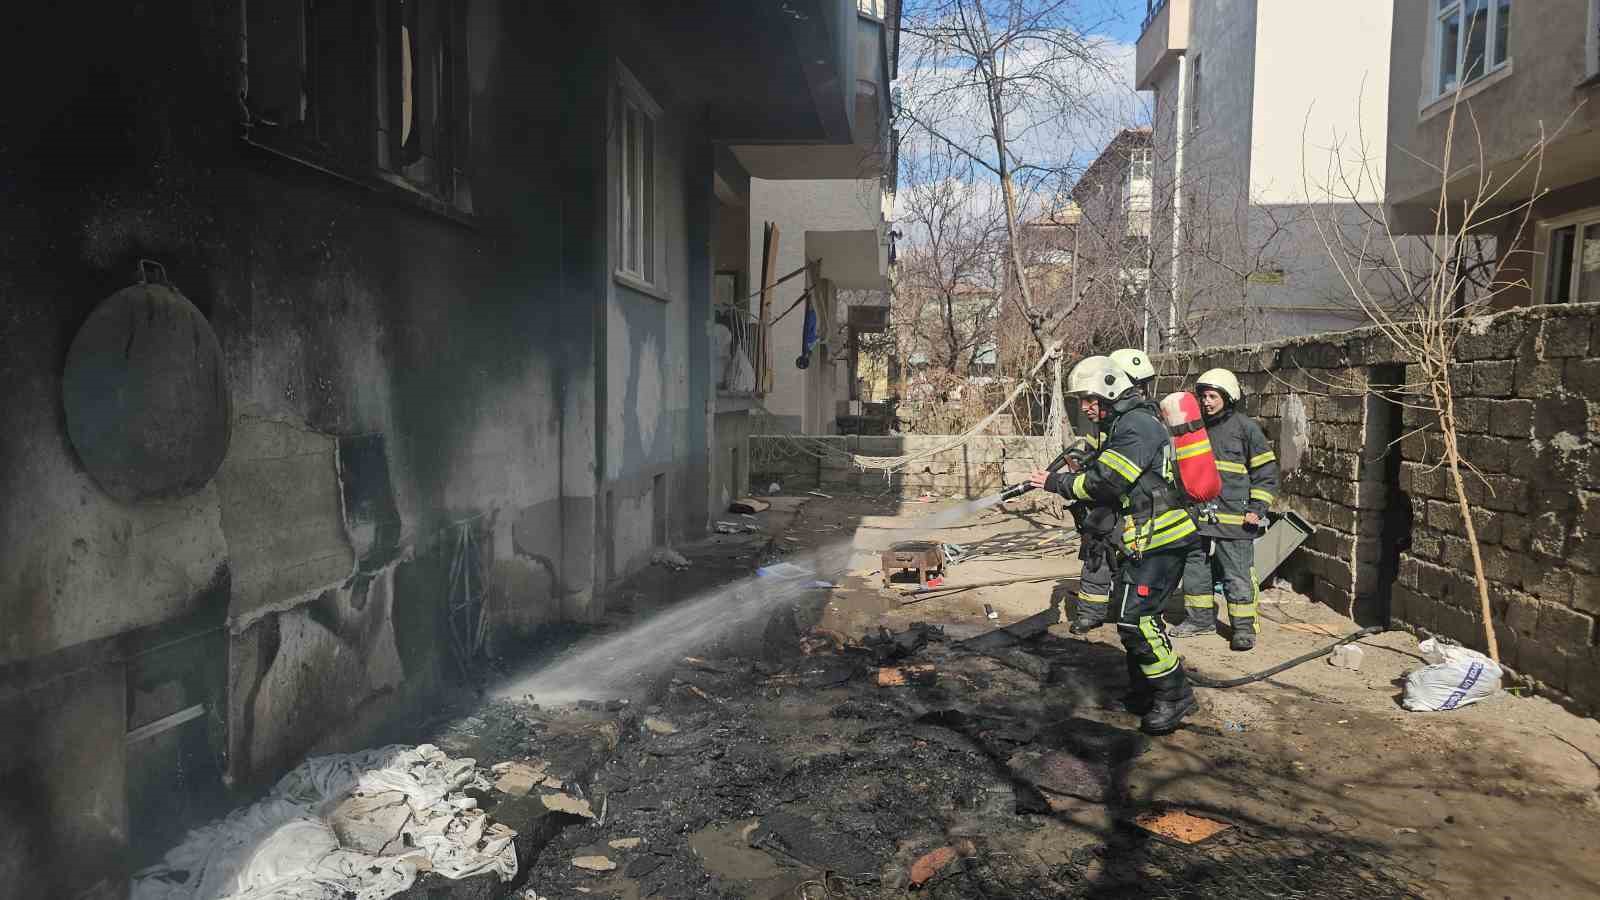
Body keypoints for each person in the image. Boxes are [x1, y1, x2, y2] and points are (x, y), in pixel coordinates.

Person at [1030, 356, 1198, 734]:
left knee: (1135, 620)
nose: (1086, 407)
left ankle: (1175, 695)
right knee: (1134, 618)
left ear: (1110, 388)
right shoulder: (1125, 423)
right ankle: (1146, 692)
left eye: (1090, 399)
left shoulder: (1136, 425)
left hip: (1161, 540)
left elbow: (1107, 483)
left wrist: (1056, 483)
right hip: (1146, 541)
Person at [1167, 368, 1280, 651]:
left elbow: (1266, 471)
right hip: (1199, 517)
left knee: (1237, 574)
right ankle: (1199, 619)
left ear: (1228, 397)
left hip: (1236, 517)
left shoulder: (1245, 428)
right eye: (1203, 396)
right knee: (1196, 571)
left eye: (1213, 396)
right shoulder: (1194, 429)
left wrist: (1258, 507)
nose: (1206, 402)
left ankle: (1243, 628)